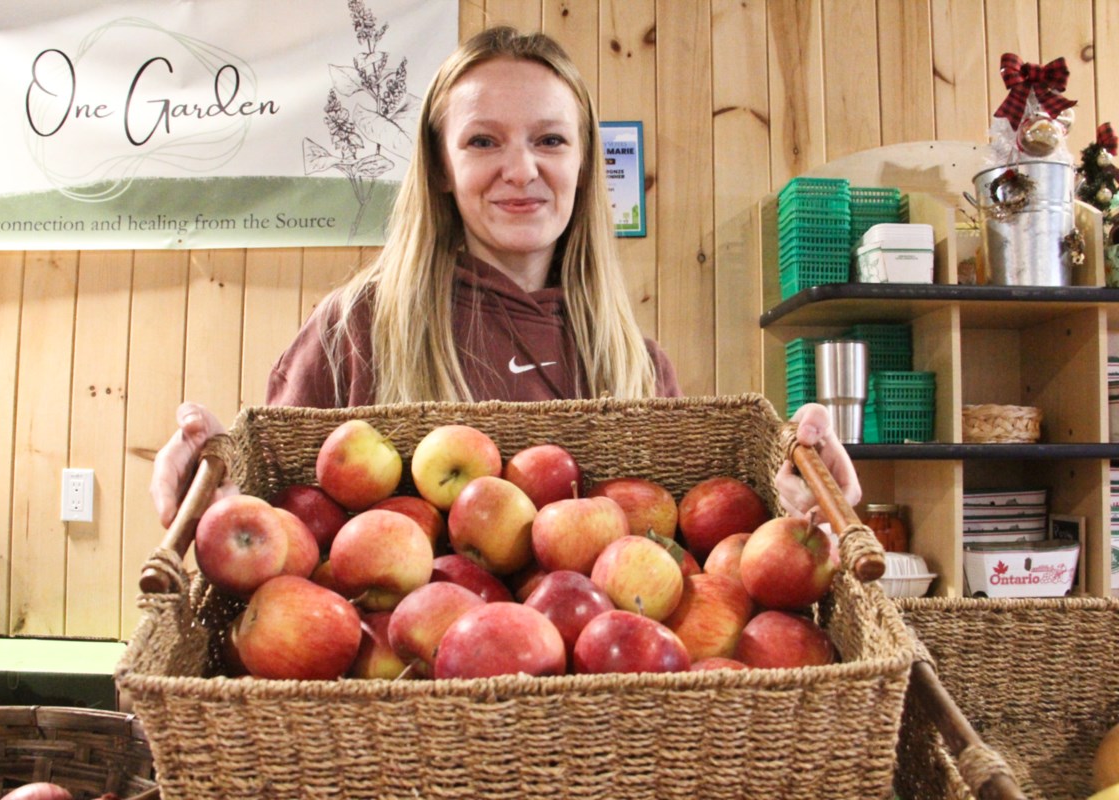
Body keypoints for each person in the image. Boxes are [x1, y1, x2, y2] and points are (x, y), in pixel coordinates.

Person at [150, 25, 860, 528]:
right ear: (440, 167)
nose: (521, 169)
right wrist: (221, 493)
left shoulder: (639, 366)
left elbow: (683, 563)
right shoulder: (356, 327)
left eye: (550, 140)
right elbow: (279, 526)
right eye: (483, 140)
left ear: (583, 166)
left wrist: (791, 505)